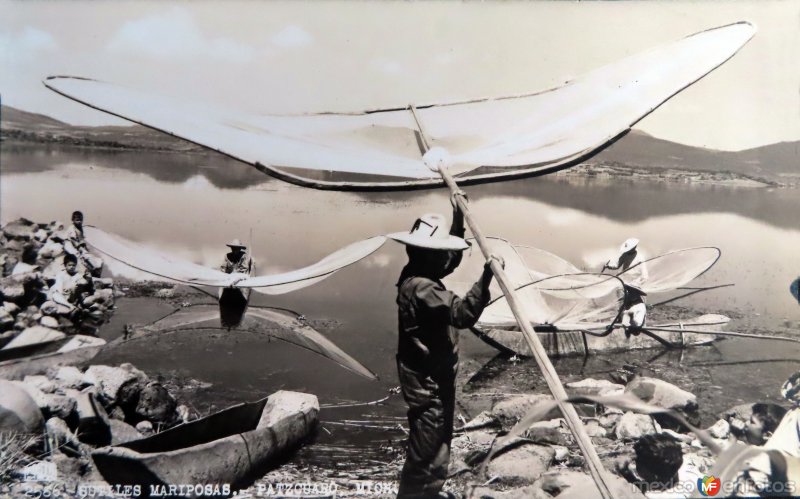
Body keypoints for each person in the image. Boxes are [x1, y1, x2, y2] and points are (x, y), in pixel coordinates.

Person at [388, 197, 501, 499]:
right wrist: (487, 278)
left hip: (427, 379)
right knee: (428, 450)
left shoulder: (415, 273)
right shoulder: (424, 288)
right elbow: (463, 314)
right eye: (440, 253)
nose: (447, 259)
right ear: (428, 256)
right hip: (428, 385)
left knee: (435, 443)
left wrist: (458, 221)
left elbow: (450, 260)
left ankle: (425, 492)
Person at [64, 211, 104, 277]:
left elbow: (81, 239)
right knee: (78, 255)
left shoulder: (80, 228)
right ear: (73, 220)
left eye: (81, 220)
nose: (79, 222)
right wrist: (79, 247)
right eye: (77, 220)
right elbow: (73, 239)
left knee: (89, 256)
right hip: (69, 244)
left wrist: (84, 247)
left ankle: (94, 269)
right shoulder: (71, 228)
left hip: (77, 244)